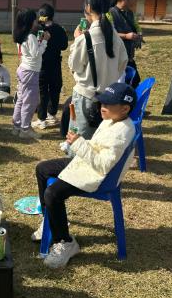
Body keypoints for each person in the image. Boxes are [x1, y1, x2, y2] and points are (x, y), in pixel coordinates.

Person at [33, 82, 137, 268]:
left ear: (125, 109)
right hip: (86, 165)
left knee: (53, 193)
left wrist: (79, 144)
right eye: (102, 102)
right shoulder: (111, 120)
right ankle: (49, 219)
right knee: (42, 169)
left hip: (98, 177)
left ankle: (65, 242)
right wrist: (79, 141)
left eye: (108, 104)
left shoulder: (123, 132)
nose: (102, 107)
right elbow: (98, 147)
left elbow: (103, 165)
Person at [67, 0, 128, 139]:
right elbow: (122, 65)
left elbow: (75, 66)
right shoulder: (115, 36)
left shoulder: (86, 38)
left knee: (79, 140)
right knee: (99, 140)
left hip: (86, 96)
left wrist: (76, 40)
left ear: (88, 7)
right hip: (108, 98)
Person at [12, 9, 50, 139]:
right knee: (30, 102)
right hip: (30, 72)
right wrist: (45, 40)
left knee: (21, 99)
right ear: (29, 22)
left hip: (23, 70)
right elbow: (36, 54)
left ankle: (17, 126)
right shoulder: (30, 36)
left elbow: (30, 51)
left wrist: (39, 41)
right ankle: (25, 129)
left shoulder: (21, 35)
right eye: (34, 19)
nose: (36, 22)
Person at [32, 3, 68, 130]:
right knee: (55, 88)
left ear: (41, 15)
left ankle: (42, 118)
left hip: (42, 65)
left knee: (42, 91)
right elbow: (64, 46)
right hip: (55, 63)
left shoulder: (38, 29)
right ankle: (52, 114)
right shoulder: (59, 29)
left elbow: (36, 46)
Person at [109, 0, 142, 88]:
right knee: (118, 85)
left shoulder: (130, 13)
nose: (135, 0)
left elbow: (137, 26)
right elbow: (108, 33)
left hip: (129, 56)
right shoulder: (110, 13)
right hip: (116, 57)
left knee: (134, 81)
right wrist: (126, 36)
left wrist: (139, 36)